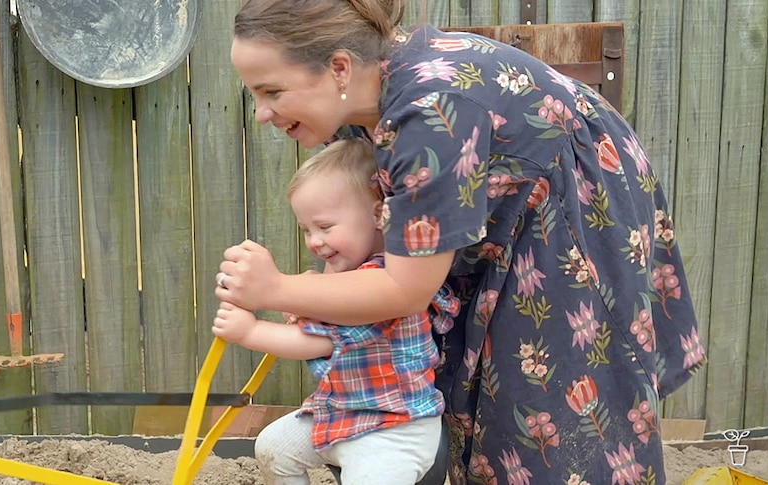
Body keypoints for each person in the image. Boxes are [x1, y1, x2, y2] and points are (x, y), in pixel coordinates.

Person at [216, 1, 708, 483]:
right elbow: (381, 260)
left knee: (548, 409)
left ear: (339, 68)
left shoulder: (428, 115)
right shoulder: (358, 105)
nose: (262, 113)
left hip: (564, 207)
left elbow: (405, 290)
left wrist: (275, 291)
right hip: (503, 215)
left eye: (271, 91)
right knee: (478, 398)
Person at [212, 138, 455, 485]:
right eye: (307, 230)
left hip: (394, 430)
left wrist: (250, 331)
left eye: (325, 227)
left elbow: (316, 342)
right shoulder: (342, 277)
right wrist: (298, 304)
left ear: (376, 215)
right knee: (273, 446)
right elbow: (316, 312)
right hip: (342, 413)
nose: (314, 241)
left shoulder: (378, 283)